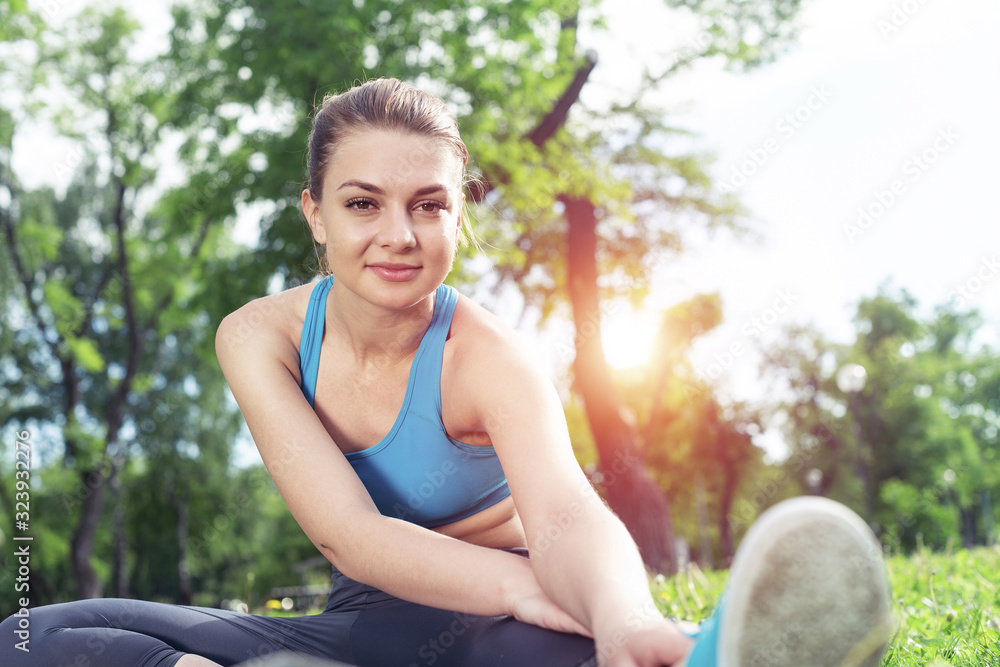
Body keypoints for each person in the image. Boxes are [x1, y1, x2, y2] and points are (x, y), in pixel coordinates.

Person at [0, 77, 894, 667]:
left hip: (498, 622)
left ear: (458, 220)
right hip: (364, 614)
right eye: (362, 204)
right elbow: (348, 535)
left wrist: (614, 615)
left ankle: (707, 655)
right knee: (38, 634)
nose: (398, 235)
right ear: (314, 213)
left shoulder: (488, 354)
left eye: (428, 205)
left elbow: (565, 511)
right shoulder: (258, 337)